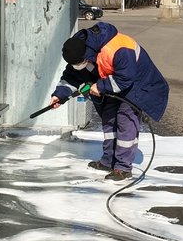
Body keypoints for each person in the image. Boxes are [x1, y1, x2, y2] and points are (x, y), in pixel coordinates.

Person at [49, 21, 169, 182]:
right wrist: (60, 95)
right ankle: (108, 161)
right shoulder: (80, 49)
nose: (78, 67)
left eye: (79, 63)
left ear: (86, 55)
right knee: (109, 119)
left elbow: (125, 78)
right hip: (116, 85)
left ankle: (123, 168)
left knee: (126, 122)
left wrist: (100, 86)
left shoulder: (119, 48)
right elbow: (71, 77)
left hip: (138, 86)